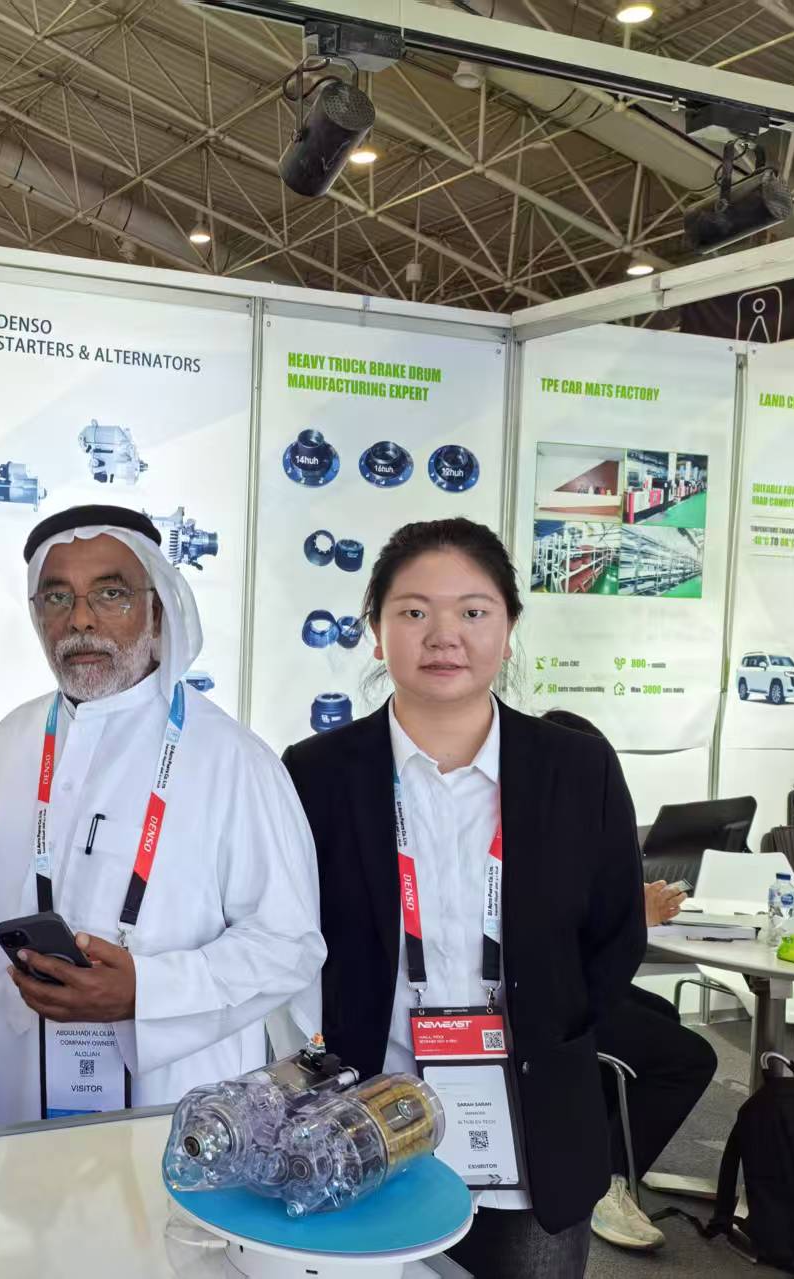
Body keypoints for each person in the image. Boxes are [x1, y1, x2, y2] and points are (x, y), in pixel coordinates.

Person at [283, 518, 645, 1279]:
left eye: (473, 611)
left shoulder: (577, 770)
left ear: (508, 630)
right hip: (361, 1125)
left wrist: (551, 1039)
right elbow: (291, 937)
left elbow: (615, 936)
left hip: (534, 1133)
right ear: (376, 631)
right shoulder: (316, 774)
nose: (444, 634)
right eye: (414, 611)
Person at [0, 504, 324, 1127]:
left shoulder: (232, 759)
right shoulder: (10, 743)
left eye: (111, 594)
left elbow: (289, 945)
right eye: (57, 597)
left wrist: (147, 990)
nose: (80, 619)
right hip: (14, 1096)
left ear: (158, 613)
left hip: (177, 1112)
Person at [542, 709, 719, 1252]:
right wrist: (634, 916)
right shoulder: (535, 831)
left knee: (662, 1016)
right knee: (691, 1058)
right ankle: (606, 1180)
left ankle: (601, 1149)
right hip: (547, 1003)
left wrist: (627, 907)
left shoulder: (563, 821)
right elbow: (543, 940)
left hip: (569, 986)